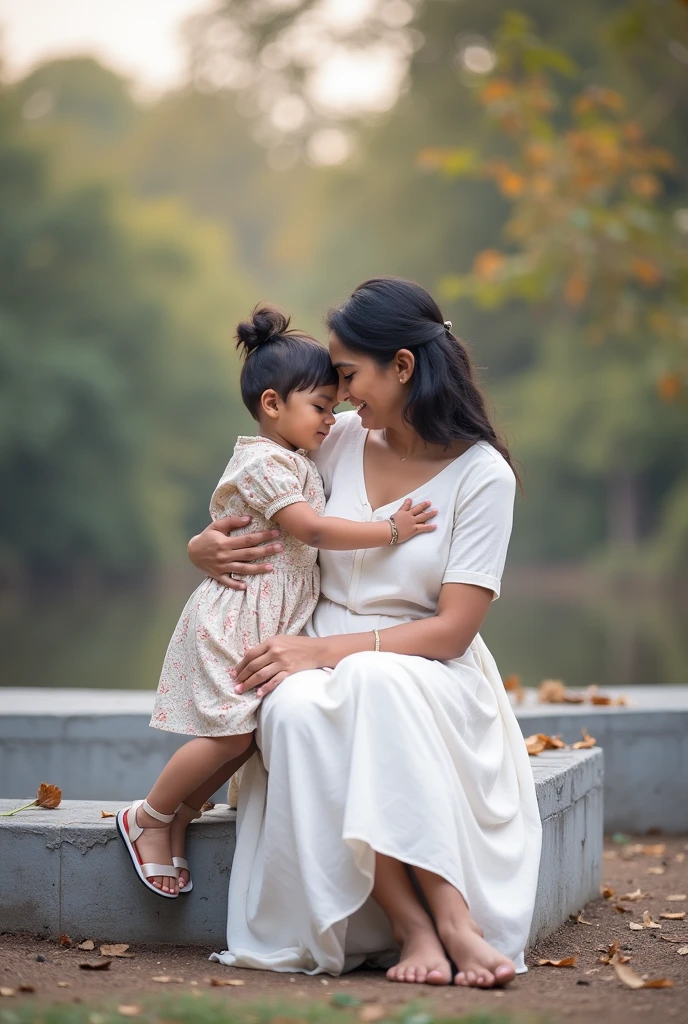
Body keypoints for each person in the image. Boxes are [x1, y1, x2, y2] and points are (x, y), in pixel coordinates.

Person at [189, 278, 542, 987]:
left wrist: (321, 651)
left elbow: (451, 632)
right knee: (289, 706)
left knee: (368, 681)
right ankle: (411, 927)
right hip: (317, 659)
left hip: (427, 669)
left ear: (403, 366)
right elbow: (258, 502)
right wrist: (201, 548)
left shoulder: (482, 477)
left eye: (349, 375)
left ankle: (454, 922)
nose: (340, 395)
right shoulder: (333, 440)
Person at [116, 304, 436, 899]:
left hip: (271, 616)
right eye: (321, 407)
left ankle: (181, 816)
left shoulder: (299, 454)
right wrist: (392, 530)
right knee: (234, 734)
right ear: (272, 405)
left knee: (254, 731)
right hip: (238, 613)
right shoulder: (265, 462)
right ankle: (150, 816)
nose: (331, 419)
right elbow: (311, 531)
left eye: (336, 406)